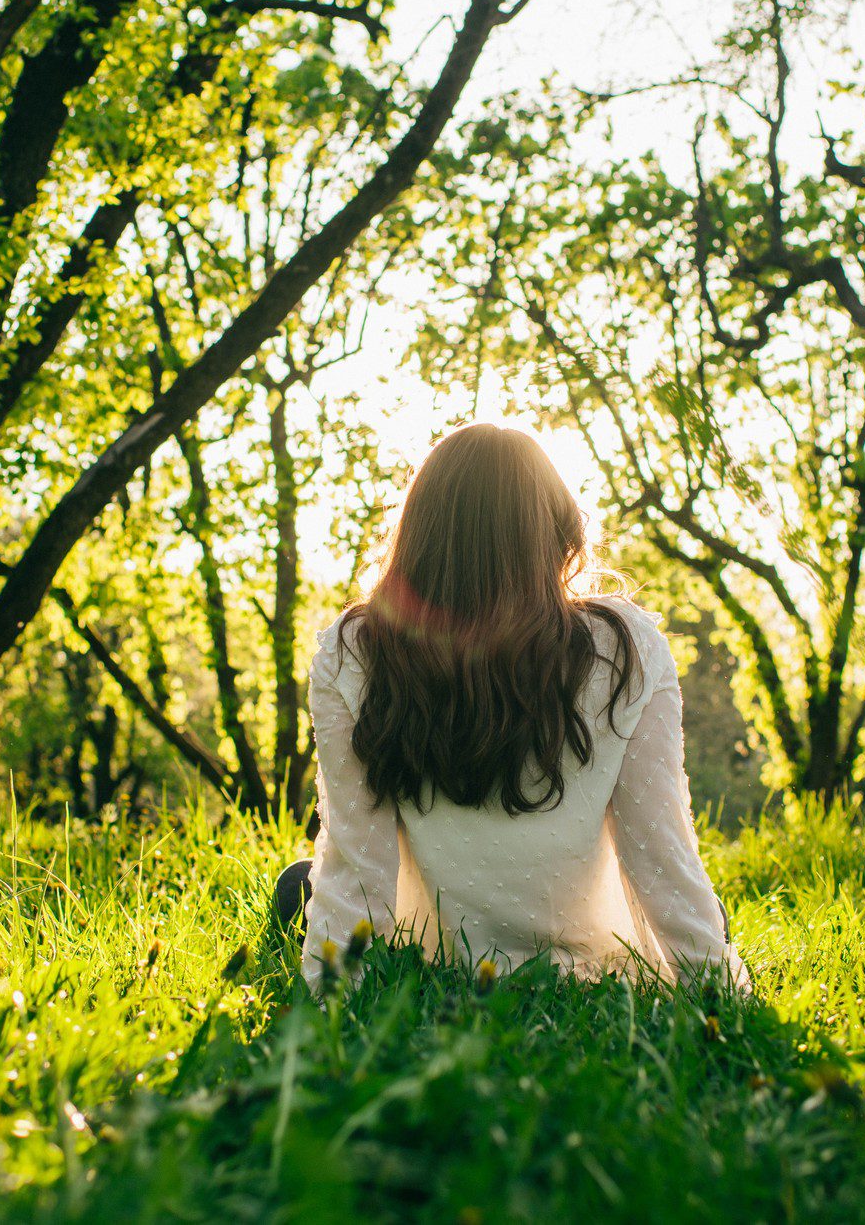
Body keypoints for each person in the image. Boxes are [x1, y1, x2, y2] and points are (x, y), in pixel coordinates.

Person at [279, 422, 748, 993]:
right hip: (588, 961)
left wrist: (330, 998)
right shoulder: (626, 647)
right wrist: (719, 990)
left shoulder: (355, 654)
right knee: (711, 915)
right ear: (555, 530)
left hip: (433, 957)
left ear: (420, 534)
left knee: (297, 886)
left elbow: (356, 865)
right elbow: (661, 855)